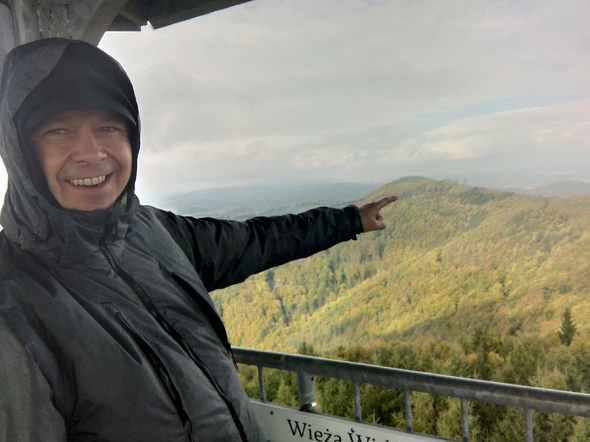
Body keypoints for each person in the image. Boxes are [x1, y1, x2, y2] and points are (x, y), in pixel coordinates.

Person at [0, 38, 397, 441]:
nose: (91, 152)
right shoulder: (12, 301)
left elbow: (256, 241)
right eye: (58, 130)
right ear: (19, 150)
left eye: (108, 127)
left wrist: (350, 220)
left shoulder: (154, 232)